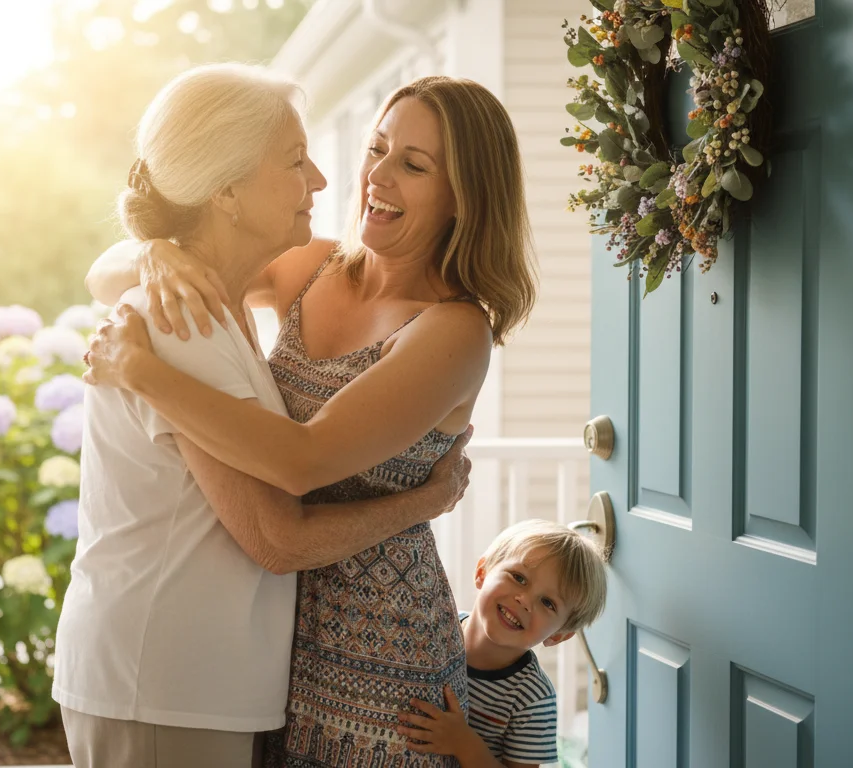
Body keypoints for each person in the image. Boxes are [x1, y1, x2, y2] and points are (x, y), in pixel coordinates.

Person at [83, 75, 537, 766]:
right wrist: (157, 251)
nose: (376, 176)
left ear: (464, 198)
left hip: (381, 660)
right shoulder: (316, 266)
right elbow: (123, 272)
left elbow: (302, 460)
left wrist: (142, 373)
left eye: (414, 166)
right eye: (378, 148)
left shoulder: (453, 331)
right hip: (272, 643)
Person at [395, 520, 608, 767]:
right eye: (518, 577)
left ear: (558, 636)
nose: (525, 600)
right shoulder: (433, 628)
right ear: (482, 573)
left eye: (548, 603)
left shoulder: (532, 697)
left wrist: (464, 744)